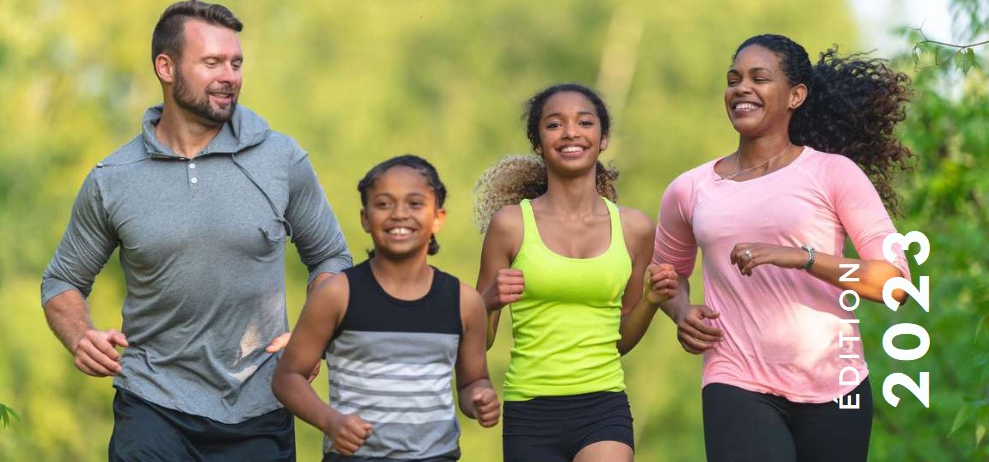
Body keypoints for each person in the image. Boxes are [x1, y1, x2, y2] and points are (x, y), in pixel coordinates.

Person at [40, 0, 351, 461]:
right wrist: (79, 334)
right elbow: (62, 280)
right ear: (166, 67)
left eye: (236, 63)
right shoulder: (113, 178)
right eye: (212, 63)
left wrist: (312, 334)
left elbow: (331, 258)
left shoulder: (280, 160)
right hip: (152, 402)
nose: (230, 76)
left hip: (260, 407)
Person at [652, 34, 914, 462]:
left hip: (838, 386)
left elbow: (896, 285)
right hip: (734, 378)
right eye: (733, 79)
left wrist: (802, 258)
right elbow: (665, 274)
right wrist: (682, 311)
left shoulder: (833, 174)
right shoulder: (690, 189)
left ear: (795, 95)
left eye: (759, 78)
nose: (741, 88)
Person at [473, 83, 678, 462]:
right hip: (530, 409)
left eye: (584, 122)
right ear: (538, 143)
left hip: (603, 406)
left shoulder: (634, 229)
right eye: (554, 125)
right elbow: (480, 340)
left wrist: (651, 301)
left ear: (602, 139)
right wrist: (487, 302)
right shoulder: (511, 225)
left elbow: (621, 341)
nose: (570, 132)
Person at [272, 155, 500, 461]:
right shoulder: (337, 294)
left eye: (415, 204)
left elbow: (473, 381)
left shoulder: (464, 301)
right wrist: (331, 421)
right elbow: (287, 378)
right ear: (365, 218)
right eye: (384, 204)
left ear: (438, 218)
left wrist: (480, 398)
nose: (399, 214)